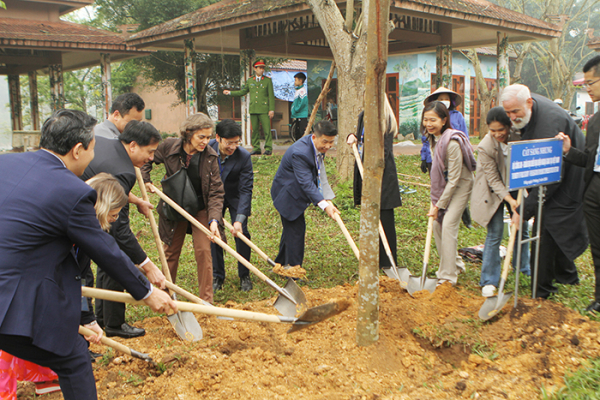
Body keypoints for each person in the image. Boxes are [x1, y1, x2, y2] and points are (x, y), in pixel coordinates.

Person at [0, 109, 176, 400]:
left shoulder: (6, 164)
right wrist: (147, 292)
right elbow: (104, 249)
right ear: (77, 150)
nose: (94, 157)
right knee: (73, 360)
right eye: (93, 149)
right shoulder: (71, 190)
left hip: (19, 289)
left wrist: (79, 320)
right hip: (13, 304)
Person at [0, 173, 125, 399]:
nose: (115, 220)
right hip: (18, 282)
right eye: (114, 214)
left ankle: (44, 378)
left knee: (46, 332)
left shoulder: (86, 234)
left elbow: (81, 276)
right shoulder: (61, 219)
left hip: (41, 283)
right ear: (102, 208)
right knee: (15, 331)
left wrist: (88, 320)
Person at [501, 84, 588, 299]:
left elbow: (550, 178)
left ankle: (541, 290)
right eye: (508, 112)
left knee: (545, 227)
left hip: (569, 177)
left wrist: (524, 210)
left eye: (515, 112)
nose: (511, 117)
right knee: (552, 225)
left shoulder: (550, 124)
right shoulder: (526, 109)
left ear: (529, 103)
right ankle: (567, 275)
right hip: (552, 175)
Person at [82, 121, 167, 339]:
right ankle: (92, 331)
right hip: (76, 213)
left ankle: (105, 321)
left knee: (107, 261)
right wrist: (147, 266)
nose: (151, 159)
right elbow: (119, 231)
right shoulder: (124, 171)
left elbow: (105, 182)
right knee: (91, 270)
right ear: (132, 146)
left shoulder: (105, 143)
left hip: (78, 201)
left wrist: (136, 199)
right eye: (149, 152)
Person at [142, 113, 225, 304]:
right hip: (175, 206)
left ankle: (207, 301)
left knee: (204, 252)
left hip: (200, 207)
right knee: (170, 251)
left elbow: (216, 193)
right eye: (201, 137)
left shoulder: (211, 157)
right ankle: (165, 297)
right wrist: (146, 181)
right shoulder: (169, 146)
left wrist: (214, 220)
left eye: (208, 137)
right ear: (188, 133)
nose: (206, 141)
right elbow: (147, 158)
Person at [471, 107, 530, 297]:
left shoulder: (519, 137)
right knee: (495, 232)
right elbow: (493, 180)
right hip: (493, 190)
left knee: (522, 227)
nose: (497, 134)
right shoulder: (485, 146)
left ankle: (523, 268)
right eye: (493, 130)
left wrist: (518, 199)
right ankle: (489, 279)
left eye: (501, 130)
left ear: (509, 126)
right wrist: (509, 200)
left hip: (517, 184)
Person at [556, 55, 600, 312]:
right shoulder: (594, 121)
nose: (588, 88)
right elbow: (588, 159)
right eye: (585, 84)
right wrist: (568, 150)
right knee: (598, 247)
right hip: (594, 187)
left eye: (592, 82)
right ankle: (598, 297)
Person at [271, 120, 340, 268]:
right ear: (314, 137)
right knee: (296, 231)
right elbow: (306, 183)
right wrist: (324, 206)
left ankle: (280, 263)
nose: (328, 146)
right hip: (287, 195)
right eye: (325, 141)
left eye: (331, 142)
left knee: (290, 229)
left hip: (296, 192)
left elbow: (320, 173)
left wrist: (327, 198)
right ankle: (294, 271)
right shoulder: (300, 153)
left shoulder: (316, 147)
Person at [423, 101, 476, 286]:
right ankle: (456, 264)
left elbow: (454, 179)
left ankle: (447, 277)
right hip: (447, 185)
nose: (429, 124)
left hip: (461, 185)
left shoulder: (452, 141)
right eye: (426, 119)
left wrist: (439, 205)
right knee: (438, 225)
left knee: (448, 225)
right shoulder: (433, 138)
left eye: (433, 120)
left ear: (444, 120)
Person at [346, 97, 402, 268]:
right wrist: (354, 137)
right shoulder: (364, 115)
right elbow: (363, 138)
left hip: (382, 175)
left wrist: (373, 173)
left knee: (385, 217)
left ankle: (387, 262)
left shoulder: (385, 117)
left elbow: (382, 152)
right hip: (365, 173)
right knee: (369, 216)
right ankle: (372, 256)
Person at [209, 120, 254, 292]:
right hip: (213, 198)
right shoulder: (207, 151)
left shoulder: (243, 157)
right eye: (229, 143)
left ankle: (244, 275)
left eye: (237, 142)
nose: (233, 147)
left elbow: (245, 189)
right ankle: (217, 276)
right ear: (218, 137)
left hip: (235, 196)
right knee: (214, 234)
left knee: (242, 233)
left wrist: (240, 219)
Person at [421, 87, 472, 228]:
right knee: (440, 188)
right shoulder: (430, 122)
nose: (444, 101)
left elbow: (464, 137)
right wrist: (424, 158)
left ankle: (465, 219)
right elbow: (426, 140)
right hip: (436, 161)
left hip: (452, 158)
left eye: (446, 98)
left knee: (455, 187)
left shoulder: (457, 116)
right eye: (441, 98)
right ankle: (441, 212)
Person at [223, 60, 275, 155]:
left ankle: (268, 148)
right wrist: (230, 93)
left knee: (267, 129)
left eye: (263, 68)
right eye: (259, 68)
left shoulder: (267, 80)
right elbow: (243, 92)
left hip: (264, 109)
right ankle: (256, 148)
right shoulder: (250, 80)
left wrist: (271, 109)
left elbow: (271, 96)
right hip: (254, 109)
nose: (261, 70)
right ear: (255, 68)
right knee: (255, 130)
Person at [291, 72, 309, 140]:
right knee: (297, 132)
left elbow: (302, 102)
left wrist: (296, 109)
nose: (294, 82)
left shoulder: (302, 91)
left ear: (300, 81)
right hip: (298, 115)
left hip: (301, 114)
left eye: (296, 80)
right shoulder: (298, 90)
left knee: (302, 132)